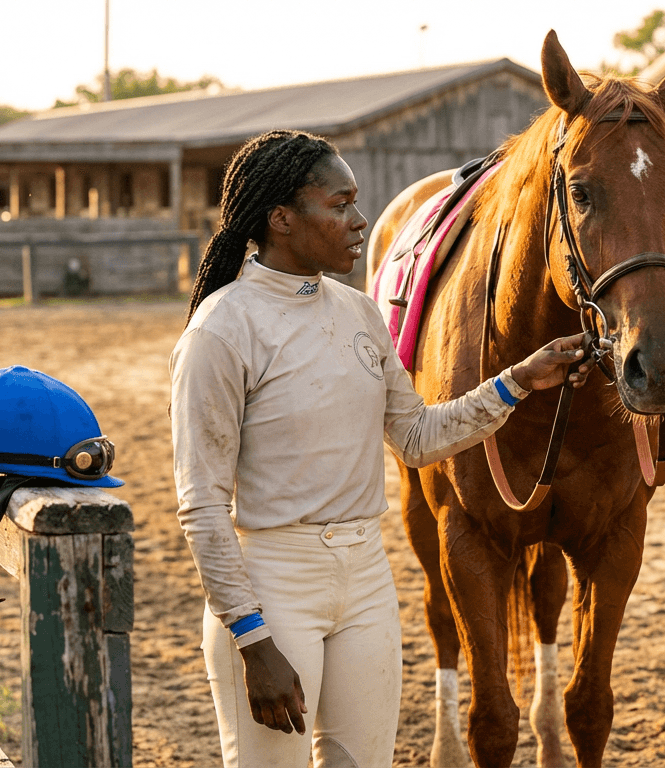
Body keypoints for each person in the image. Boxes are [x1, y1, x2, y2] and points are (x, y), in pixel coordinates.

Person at [170, 129, 591, 768]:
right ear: (281, 219)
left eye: (356, 202)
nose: (360, 220)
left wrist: (517, 383)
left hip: (366, 576)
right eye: (338, 205)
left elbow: (418, 438)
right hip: (274, 583)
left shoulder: (361, 314)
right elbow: (201, 505)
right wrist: (252, 638)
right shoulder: (221, 331)